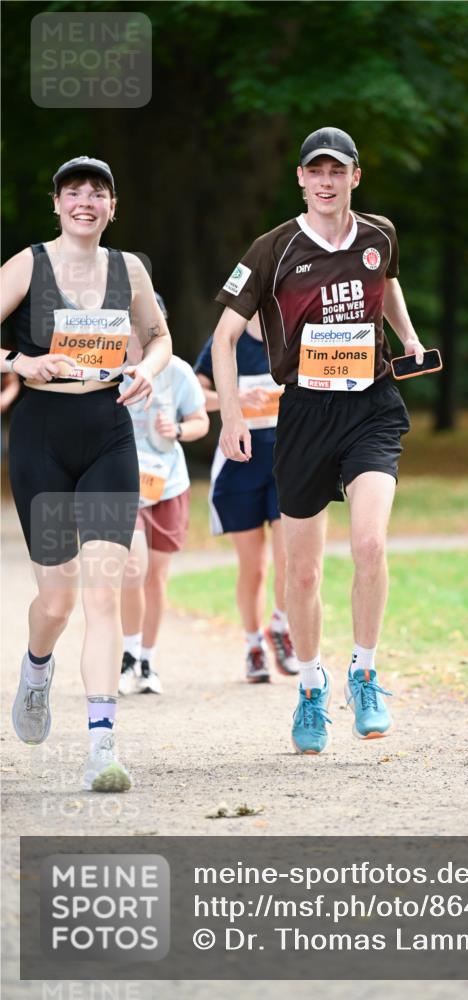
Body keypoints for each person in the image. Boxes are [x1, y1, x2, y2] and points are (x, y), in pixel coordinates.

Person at [212, 126, 425, 754]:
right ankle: (311, 686)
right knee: (300, 576)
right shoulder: (272, 248)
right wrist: (231, 416)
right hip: (304, 412)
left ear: (355, 176)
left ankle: (365, 675)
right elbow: (224, 337)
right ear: (301, 179)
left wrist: (409, 338)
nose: (327, 181)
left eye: (338, 171)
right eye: (316, 171)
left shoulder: (380, 234)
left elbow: (388, 285)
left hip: (371, 406)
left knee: (370, 542)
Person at [1, 156, 171, 792]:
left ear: (112, 208)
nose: (85, 201)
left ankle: (102, 747)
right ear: (57, 204)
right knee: (57, 600)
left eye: (97, 193)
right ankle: (36, 668)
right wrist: (19, 361)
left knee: (104, 593)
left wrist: (148, 366)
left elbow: (160, 337)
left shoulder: (129, 270)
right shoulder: (29, 264)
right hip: (42, 438)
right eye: (73, 192)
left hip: (107, 434)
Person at [194, 314, 298, 683]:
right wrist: (235, 398)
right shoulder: (227, 339)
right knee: (254, 567)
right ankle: (253, 645)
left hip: (287, 461)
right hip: (239, 464)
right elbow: (195, 395)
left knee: (290, 558)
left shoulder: (295, 332)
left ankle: (280, 626)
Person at [119, 294, 209, 695]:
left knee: (155, 578)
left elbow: (200, 421)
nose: (140, 332)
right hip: (123, 485)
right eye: (134, 323)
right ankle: (127, 656)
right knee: (132, 569)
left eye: (150, 324)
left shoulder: (178, 371)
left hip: (167, 484)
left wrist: (179, 430)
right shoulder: (108, 371)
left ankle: (147, 661)